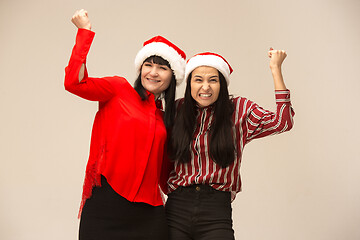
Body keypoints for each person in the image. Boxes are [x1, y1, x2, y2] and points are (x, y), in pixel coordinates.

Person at [64, 9, 186, 240]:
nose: (153, 72)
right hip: (106, 203)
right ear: (140, 68)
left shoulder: (167, 118)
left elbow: (166, 172)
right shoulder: (118, 89)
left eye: (162, 67)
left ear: (172, 76)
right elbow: (74, 83)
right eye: (148, 65)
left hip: (149, 213)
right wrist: (84, 33)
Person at [164, 51, 295, 239]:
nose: (205, 87)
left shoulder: (239, 110)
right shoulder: (177, 110)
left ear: (222, 84)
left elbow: (283, 122)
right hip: (176, 209)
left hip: (216, 211)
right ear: (189, 83)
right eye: (198, 80)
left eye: (213, 80)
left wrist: (276, 69)